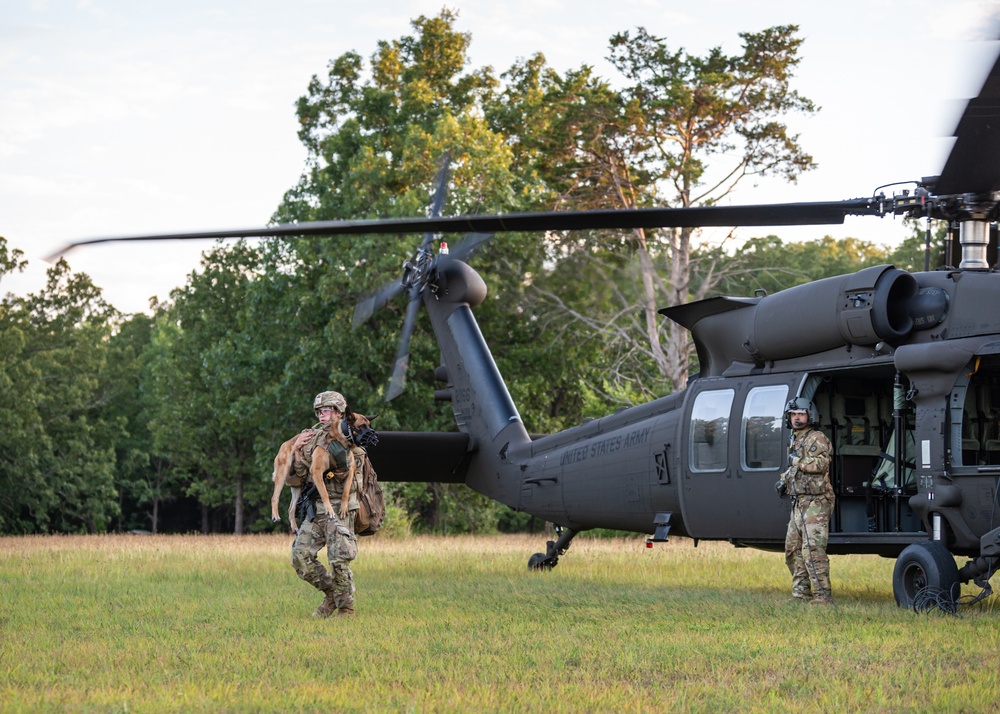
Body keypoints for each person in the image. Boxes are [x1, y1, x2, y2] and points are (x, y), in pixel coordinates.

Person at [289, 390, 360, 618]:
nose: (321, 415)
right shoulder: (313, 437)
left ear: (339, 412)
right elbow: (298, 474)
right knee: (300, 555)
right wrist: (296, 449)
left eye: (326, 410)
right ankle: (332, 594)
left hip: (340, 506)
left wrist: (336, 467)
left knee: (339, 559)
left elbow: (354, 472)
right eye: (319, 411)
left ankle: (346, 608)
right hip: (317, 507)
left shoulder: (351, 438)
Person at [775, 397, 835, 605]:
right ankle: (801, 593)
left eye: (800, 414)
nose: (797, 418)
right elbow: (795, 469)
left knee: (813, 550)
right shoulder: (796, 439)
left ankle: (822, 596)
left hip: (816, 502)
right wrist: (784, 480)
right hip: (799, 502)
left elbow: (821, 464)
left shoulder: (816, 438)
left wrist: (797, 462)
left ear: (810, 416)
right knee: (793, 549)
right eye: (793, 415)